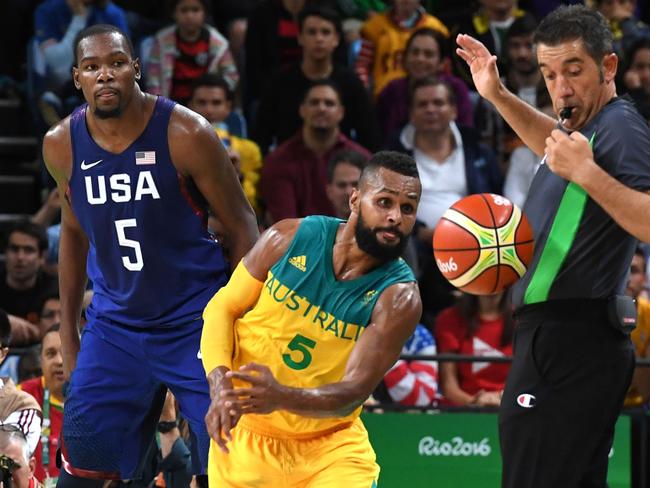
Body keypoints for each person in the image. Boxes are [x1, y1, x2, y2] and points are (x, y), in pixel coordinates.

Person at [42, 24, 258, 485]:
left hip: (195, 320)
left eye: (116, 63)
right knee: (83, 466)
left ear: (136, 69)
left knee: (229, 462)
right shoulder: (60, 144)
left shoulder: (186, 132)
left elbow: (242, 226)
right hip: (115, 326)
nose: (105, 75)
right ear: (76, 77)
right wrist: (69, 332)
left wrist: (240, 322)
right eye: (92, 67)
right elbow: (74, 233)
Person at [456, 5, 650, 487]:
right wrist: (498, 95)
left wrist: (585, 172)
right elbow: (552, 143)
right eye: (548, 74)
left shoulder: (622, 128)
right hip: (566, 340)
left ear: (608, 67)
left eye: (574, 70)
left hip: (570, 341)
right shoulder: (587, 128)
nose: (560, 88)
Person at [200, 151, 422, 486]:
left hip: (330, 449)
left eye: (407, 208)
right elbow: (222, 308)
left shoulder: (398, 297)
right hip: (246, 439)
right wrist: (219, 384)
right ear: (355, 200)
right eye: (384, 202)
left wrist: (281, 396)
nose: (395, 217)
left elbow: (353, 391)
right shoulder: (289, 238)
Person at [253, 3, 380, 154]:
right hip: (289, 167)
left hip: (340, 168)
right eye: (312, 32)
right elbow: (261, 139)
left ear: (336, 39)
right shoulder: (279, 83)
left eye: (326, 32)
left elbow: (370, 140)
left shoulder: (352, 84)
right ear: (300, 37)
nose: (319, 39)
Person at [260, 80, 371, 223]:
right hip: (297, 243)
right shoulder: (278, 162)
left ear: (341, 112)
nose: (321, 108)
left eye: (329, 103)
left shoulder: (364, 160)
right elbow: (285, 224)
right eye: (314, 102)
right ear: (302, 110)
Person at [376, 27, 473, 140]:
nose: (420, 59)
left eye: (428, 54)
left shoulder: (456, 88)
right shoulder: (392, 90)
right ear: (405, 57)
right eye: (415, 52)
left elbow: (466, 134)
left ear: (442, 62)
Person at [187, 74, 263, 212]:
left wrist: (237, 175)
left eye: (216, 103)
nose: (209, 110)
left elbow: (252, 206)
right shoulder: (177, 148)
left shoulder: (249, 150)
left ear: (228, 106)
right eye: (202, 103)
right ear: (190, 106)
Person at [146, 0, 238, 105]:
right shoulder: (162, 40)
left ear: (205, 13)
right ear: (173, 13)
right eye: (184, 10)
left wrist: (215, 97)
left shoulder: (218, 43)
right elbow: (153, 79)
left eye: (195, 10)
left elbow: (231, 76)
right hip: (171, 106)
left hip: (205, 106)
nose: (189, 16)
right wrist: (160, 105)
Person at [355, 0, 448, 98]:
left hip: (429, 97)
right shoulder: (374, 27)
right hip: (382, 100)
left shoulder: (437, 28)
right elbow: (362, 67)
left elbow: (446, 71)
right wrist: (363, 94)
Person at [435, 293, 513, 407]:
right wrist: (475, 402)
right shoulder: (449, 319)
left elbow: (527, 380)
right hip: (463, 411)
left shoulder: (523, 319)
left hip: (511, 408)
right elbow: (449, 386)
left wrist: (502, 398)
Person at [19, 326, 64, 484]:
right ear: (41, 360)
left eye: (66, 352)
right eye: (51, 353)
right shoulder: (21, 397)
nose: (59, 360)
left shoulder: (97, 401)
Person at [0, 221, 57, 346]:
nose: (20, 257)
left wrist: (38, 333)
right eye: (14, 249)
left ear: (42, 257)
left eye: (28, 250)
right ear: (6, 253)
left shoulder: (56, 289)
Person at [325, 149, 367, 220]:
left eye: (355, 184)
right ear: (329, 191)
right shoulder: (318, 230)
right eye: (341, 185)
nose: (348, 192)